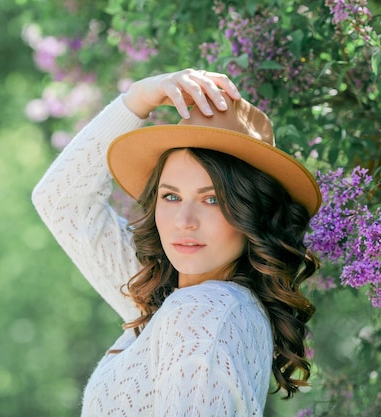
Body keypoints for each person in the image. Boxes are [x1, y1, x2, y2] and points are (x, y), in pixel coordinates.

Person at [32, 68, 321, 416]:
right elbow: (61, 201)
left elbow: (62, 203)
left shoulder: (204, 310)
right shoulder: (168, 299)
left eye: (212, 199)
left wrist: (139, 100)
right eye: (170, 197)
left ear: (254, 214)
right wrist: (138, 98)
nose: (184, 222)